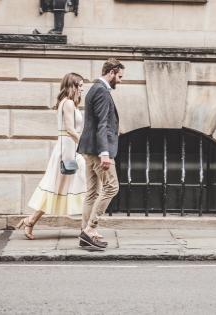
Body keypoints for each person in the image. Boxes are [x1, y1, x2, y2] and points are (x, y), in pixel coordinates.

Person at [16, 72, 86, 240]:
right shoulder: (68, 103)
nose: (82, 90)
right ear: (73, 86)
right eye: (80, 86)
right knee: (65, 186)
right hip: (67, 151)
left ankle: (31, 221)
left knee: (61, 188)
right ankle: (88, 228)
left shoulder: (68, 103)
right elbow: (69, 129)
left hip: (69, 149)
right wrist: (84, 144)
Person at [77, 58, 125, 249]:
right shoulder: (102, 91)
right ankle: (90, 229)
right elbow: (102, 124)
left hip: (88, 149)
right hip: (98, 151)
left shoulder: (94, 89)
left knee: (92, 192)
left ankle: (84, 233)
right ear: (112, 72)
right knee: (112, 187)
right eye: (119, 76)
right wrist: (105, 152)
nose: (120, 81)